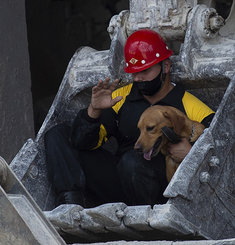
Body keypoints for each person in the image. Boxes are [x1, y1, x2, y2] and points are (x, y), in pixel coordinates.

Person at [45, 29, 215, 208]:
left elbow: (219, 151)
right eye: (134, 72)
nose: (139, 78)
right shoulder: (120, 98)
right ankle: (69, 206)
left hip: (159, 191)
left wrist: (192, 155)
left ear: (165, 66)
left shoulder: (189, 104)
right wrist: (93, 110)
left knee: (133, 161)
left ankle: (144, 218)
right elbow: (82, 144)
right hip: (121, 182)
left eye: (145, 71)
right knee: (58, 134)